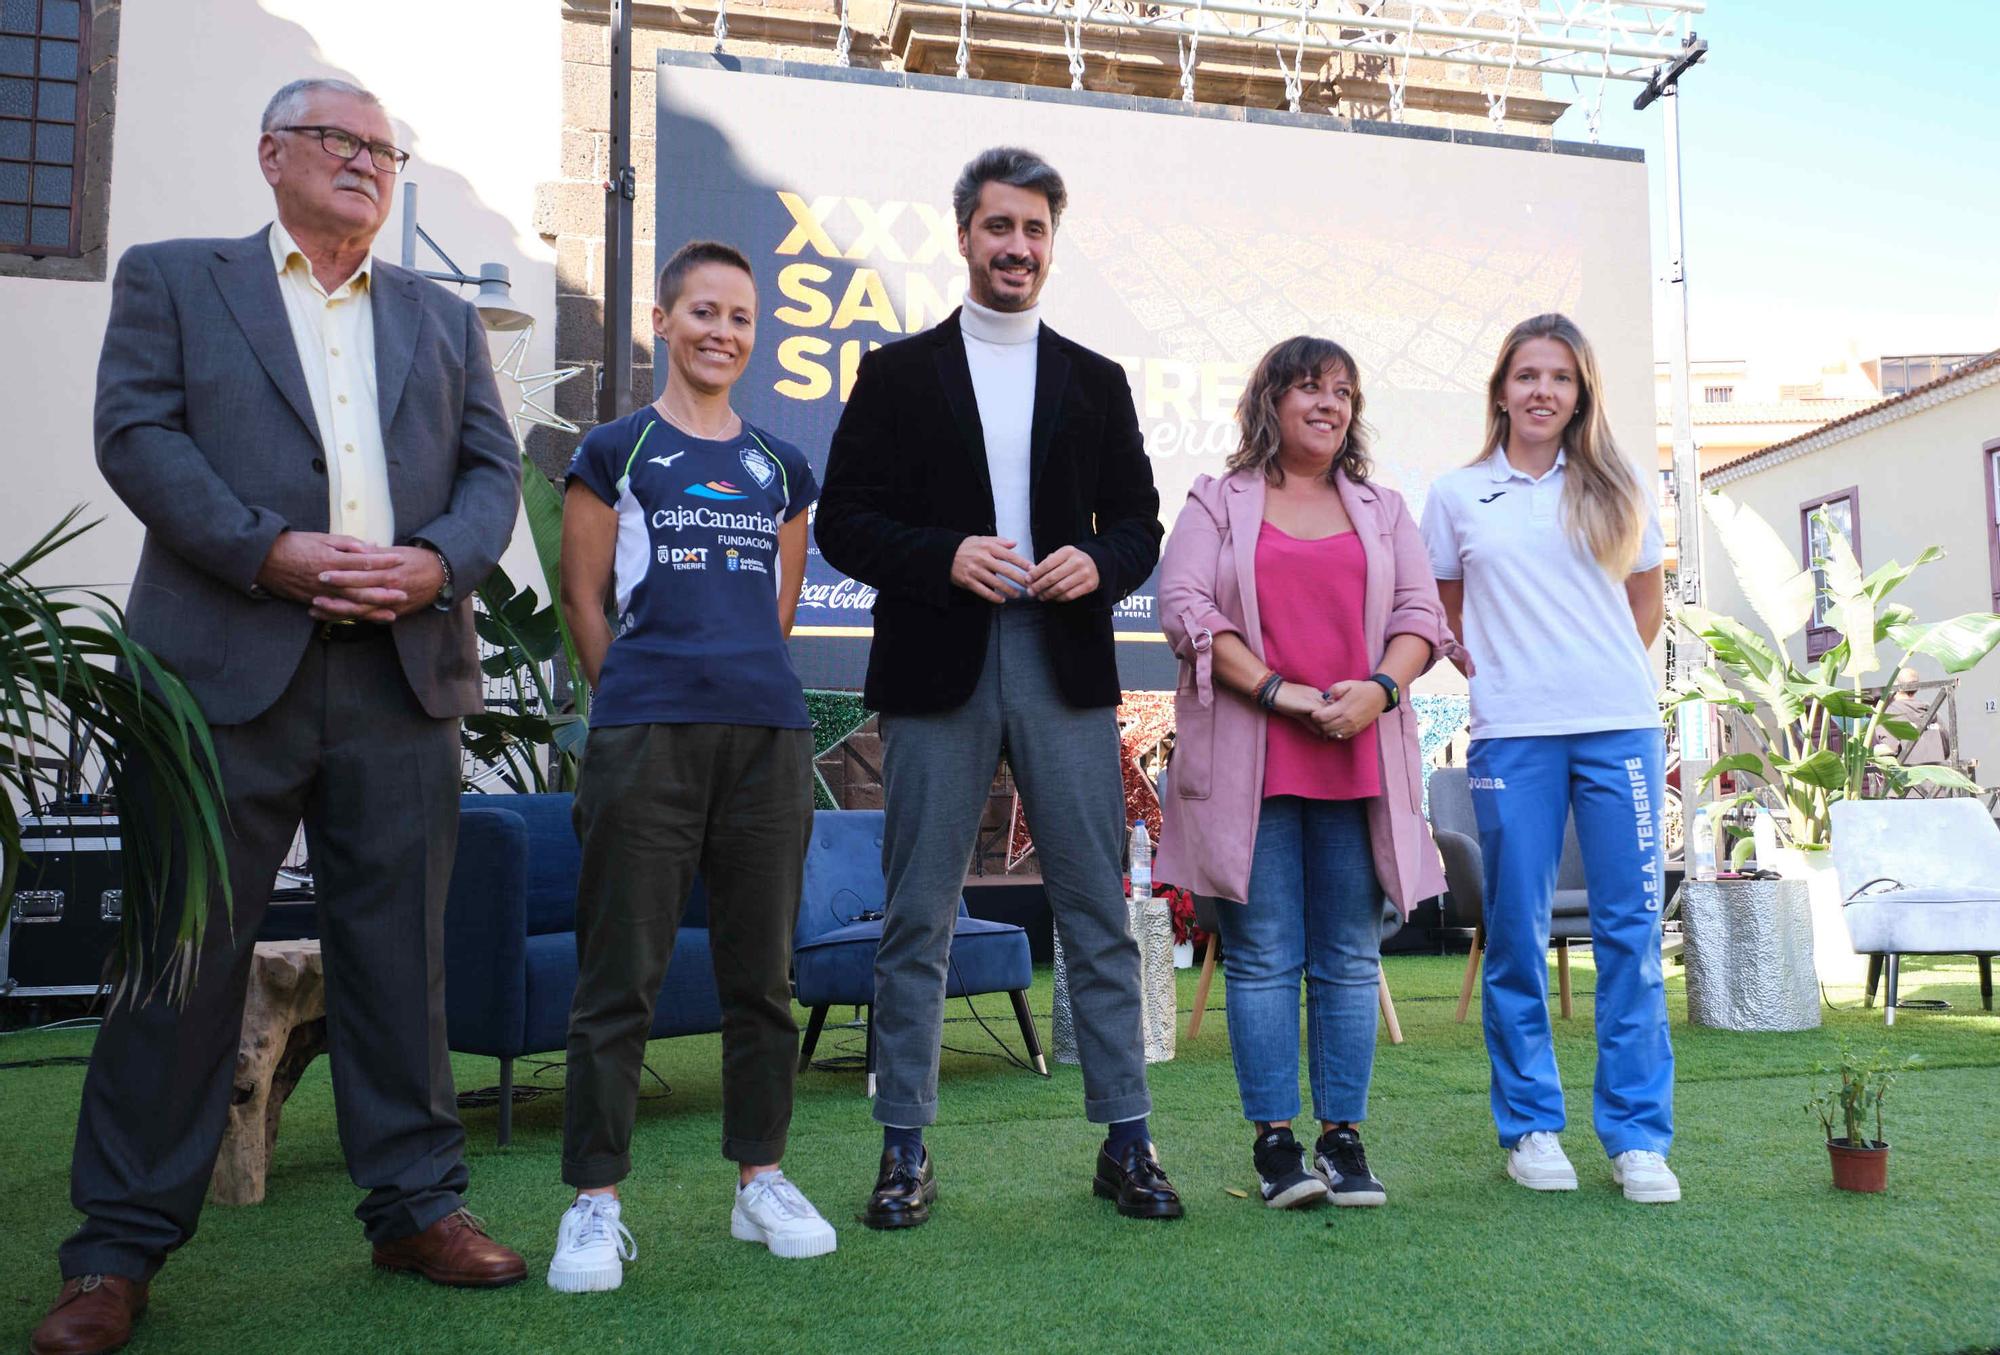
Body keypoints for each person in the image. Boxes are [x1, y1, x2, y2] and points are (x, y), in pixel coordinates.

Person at [34, 77, 525, 1355]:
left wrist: (437, 565)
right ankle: (116, 1248)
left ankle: (415, 1204)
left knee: (396, 962)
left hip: (399, 673)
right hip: (220, 671)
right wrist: (272, 554)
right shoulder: (175, 279)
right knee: (180, 963)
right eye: (338, 140)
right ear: (270, 154)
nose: (367, 162)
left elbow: (488, 468)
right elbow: (136, 435)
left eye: (383, 148)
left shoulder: (440, 315)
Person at [815, 147, 1182, 1227]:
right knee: (915, 914)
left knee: (1094, 911)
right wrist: (941, 555)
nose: (1014, 246)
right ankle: (903, 1150)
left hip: (1062, 661)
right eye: (996, 227)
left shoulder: (1097, 379)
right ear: (963, 236)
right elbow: (843, 519)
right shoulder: (894, 373)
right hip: (940, 659)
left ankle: (1126, 1138)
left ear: (1049, 244)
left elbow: (1138, 525)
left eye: (1032, 230)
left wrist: (1101, 564)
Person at [546, 241, 833, 1290]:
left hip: (765, 739)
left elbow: (780, 610)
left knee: (762, 976)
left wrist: (738, 686)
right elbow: (585, 600)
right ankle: (593, 1198)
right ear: (662, 320)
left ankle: (759, 1176)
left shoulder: (779, 468)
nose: (722, 331)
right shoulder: (615, 450)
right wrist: (628, 702)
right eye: (702, 312)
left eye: (740, 318)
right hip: (645, 738)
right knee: (619, 973)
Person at [1156, 336, 1456, 1209]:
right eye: (1309, 388)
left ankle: (1344, 1142)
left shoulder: (1384, 507)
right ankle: (1276, 1147)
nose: (1328, 403)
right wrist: (1280, 692)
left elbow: (1420, 616)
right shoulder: (1217, 502)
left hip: (1360, 758)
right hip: (1253, 763)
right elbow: (1185, 608)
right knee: (1260, 959)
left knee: (1350, 960)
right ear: (1270, 402)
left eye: (1343, 391)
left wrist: (1380, 688)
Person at [1419, 312, 1678, 1204]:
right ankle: (1531, 1126)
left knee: (1632, 936)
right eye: (1527, 375)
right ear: (1501, 389)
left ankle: (1638, 1137)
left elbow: (1644, 599)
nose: (1542, 391)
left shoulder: (1617, 481)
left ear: (1581, 393)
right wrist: (1523, 676)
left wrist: (1590, 673)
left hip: (1620, 729)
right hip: (1510, 736)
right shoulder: (1455, 493)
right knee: (1518, 935)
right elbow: (1445, 612)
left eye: (1560, 378)